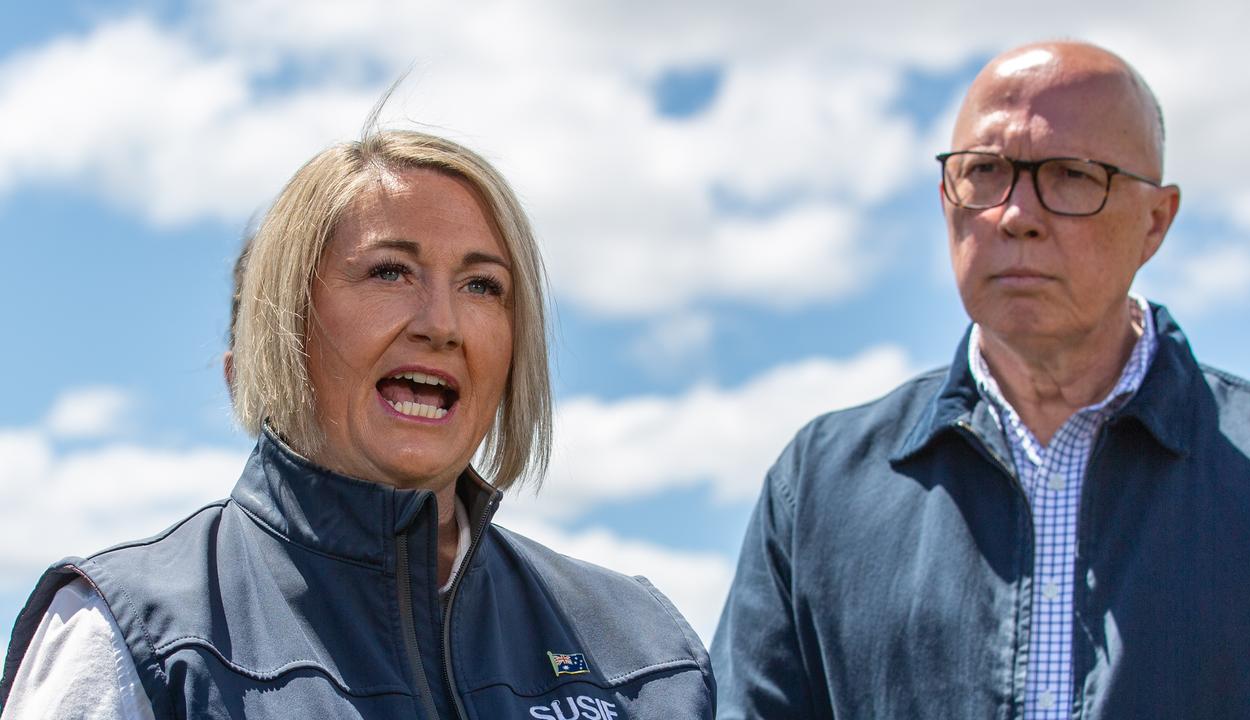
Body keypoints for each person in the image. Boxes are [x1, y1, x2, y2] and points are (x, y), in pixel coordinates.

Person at [0, 129, 715, 719]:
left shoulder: (645, 651)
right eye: (389, 272)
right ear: (285, 324)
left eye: (481, 286)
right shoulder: (137, 635)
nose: (442, 324)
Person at [712, 40, 1250, 719]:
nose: (1015, 215)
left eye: (1072, 175)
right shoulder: (819, 486)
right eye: (985, 171)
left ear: (1155, 221)